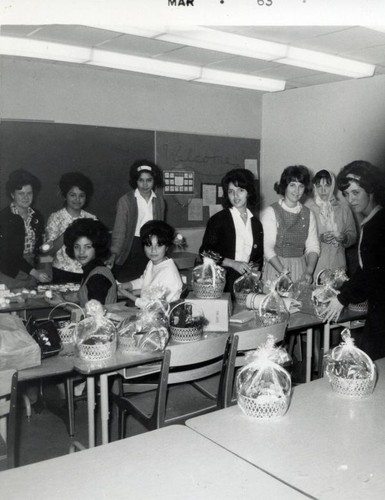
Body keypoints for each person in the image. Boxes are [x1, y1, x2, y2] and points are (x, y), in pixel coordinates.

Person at [323, 161, 385, 360]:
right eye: (347, 194)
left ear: (371, 190)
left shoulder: (377, 225)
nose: (350, 199)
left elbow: (371, 273)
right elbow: (366, 267)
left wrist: (342, 298)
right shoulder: (374, 220)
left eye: (356, 192)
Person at [199, 168, 264, 295]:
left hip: (247, 284)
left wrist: (255, 270)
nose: (235, 196)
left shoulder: (256, 224)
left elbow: (258, 257)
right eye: (231, 192)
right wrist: (233, 263)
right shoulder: (218, 220)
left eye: (240, 190)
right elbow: (205, 252)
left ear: (249, 192)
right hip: (222, 282)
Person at [107, 159, 165, 282]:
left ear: (154, 181)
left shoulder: (159, 201)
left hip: (151, 246)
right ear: (135, 181)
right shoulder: (126, 201)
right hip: (131, 247)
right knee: (128, 283)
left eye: (149, 180)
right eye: (141, 180)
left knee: (149, 282)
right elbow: (119, 232)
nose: (145, 185)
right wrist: (114, 254)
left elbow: (161, 228)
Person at [261, 165, 320, 285]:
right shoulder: (271, 212)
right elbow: (267, 248)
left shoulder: (309, 214)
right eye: (292, 185)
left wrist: (309, 271)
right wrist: (283, 273)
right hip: (276, 267)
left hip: (300, 269)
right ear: (284, 186)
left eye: (301, 186)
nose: (296, 191)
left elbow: (313, 246)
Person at [0, 169, 50, 288]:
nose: (26, 197)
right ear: (12, 194)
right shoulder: (4, 217)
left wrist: (44, 268)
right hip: (10, 272)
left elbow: (41, 249)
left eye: (29, 193)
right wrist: (35, 273)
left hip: (31, 272)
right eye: (21, 193)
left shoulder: (37, 217)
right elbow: (8, 254)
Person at [45, 172, 97, 284]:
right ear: (65, 195)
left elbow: (98, 249)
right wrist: (70, 232)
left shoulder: (92, 219)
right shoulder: (56, 218)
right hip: (61, 273)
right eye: (72, 195)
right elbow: (48, 250)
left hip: (87, 272)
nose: (77, 199)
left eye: (81, 195)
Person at [118, 220, 183, 309]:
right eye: (149, 245)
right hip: (149, 313)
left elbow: (154, 307)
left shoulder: (168, 272)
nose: (153, 250)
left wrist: (128, 295)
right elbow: (145, 280)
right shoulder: (153, 263)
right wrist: (128, 285)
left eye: (159, 245)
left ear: (167, 247)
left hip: (162, 316)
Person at [305, 169, 357, 277]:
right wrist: (319, 238)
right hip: (315, 268)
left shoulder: (344, 209)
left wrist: (345, 237)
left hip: (338, 267)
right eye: (319, 186)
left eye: (327, 185)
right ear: (315, 187)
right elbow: (301, 238)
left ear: (333, 186)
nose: (323, 190)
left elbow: (353, 236)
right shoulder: (309, 209)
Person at [62, 218, 117, 307]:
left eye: (87, 247)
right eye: (77, 247)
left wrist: (63, 304)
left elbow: (96, 316)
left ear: (97, 247)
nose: (81, 252)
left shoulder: (98, 276)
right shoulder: (93, 270)